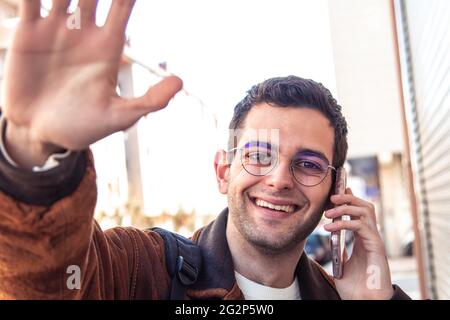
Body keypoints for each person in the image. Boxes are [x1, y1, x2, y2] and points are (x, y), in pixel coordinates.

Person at [0, 0, 409, 300]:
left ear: (336, 191)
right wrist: (36, 155)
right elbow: (46, 282)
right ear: (222, 172)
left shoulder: (342, 296)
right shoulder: (140, 271)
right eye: (259, 155)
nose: (279, 179)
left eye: (308, 164)